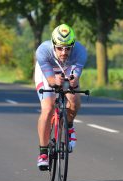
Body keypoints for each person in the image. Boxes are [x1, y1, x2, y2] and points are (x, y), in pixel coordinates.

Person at [34, 24, 87, 170]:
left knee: (74, 101)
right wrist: (54, 81)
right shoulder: (43, 51)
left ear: (73, 46)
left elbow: (75, 77)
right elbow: (51, 80)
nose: (64, 52)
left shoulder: (80, 51)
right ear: (53, 45)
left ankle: (69, 126)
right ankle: (43, 153)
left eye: (67, 48)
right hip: (48, 71)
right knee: (48, 107)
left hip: (67, 69)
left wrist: (73, 82)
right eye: (59, 48)